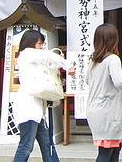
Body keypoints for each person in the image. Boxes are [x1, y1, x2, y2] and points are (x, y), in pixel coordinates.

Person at [13, 29, 76, 162]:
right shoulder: (27, 54)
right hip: (28, 110)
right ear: (31, 43)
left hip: (36, 111)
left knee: (47, 144)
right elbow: (48, 56)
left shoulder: (32, 60)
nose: (41, 47)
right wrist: (66, 64)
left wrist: (59, 62)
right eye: (39, 43)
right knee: (26, 146)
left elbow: (47, 73)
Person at [86, 23, 122, 162]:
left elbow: (87, 81)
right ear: (114, 40)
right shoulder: (113, 59)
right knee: (107, 152)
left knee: (114, 149)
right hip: (107, 111)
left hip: (96, 109)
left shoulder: (94, 61)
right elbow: (119, 82)